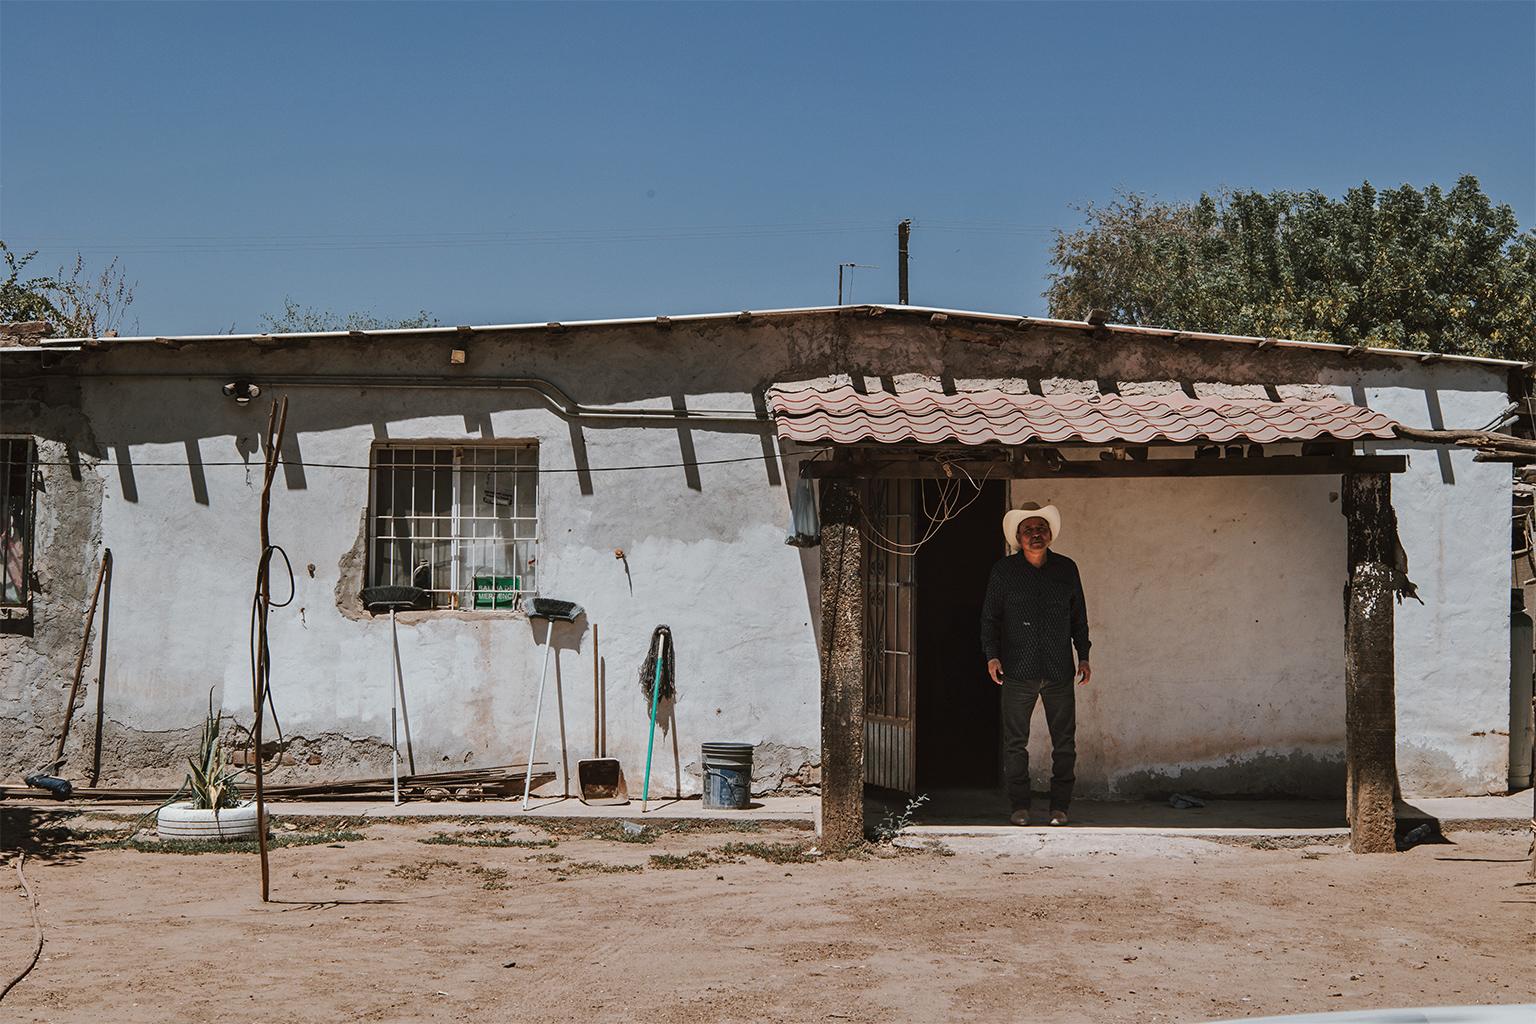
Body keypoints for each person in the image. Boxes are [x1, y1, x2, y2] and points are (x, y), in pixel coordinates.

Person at [979, 503, 1091, 827]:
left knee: (1065, 744)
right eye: (1028, 530)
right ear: (1018, 537)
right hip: (1017, 671)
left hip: (1059, 670)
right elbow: (990, 619)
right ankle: (1020, 807)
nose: (1035, 534)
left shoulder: (1067, 570)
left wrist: (1083, 656)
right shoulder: (1004, 572)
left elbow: (1078, 619)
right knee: (1015, 744)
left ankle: (1060, 807)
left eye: (1040, 528)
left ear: (1050, 534)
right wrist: (992, 655)